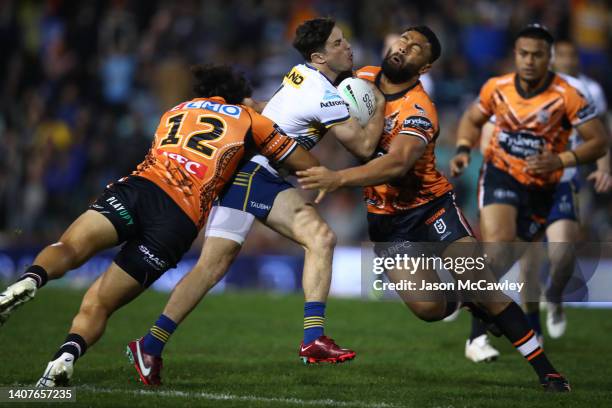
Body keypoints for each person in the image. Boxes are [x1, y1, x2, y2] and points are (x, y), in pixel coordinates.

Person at [0, 64, 319, 387]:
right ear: (241, 98)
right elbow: (303, 162)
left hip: (140, 190)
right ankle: (65, 357)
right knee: (100, 302)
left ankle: (30, 279)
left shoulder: (175, 111)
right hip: (177, 221)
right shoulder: (250, 119)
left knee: (68, 247)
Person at [297, 25, 574, 392]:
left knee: (484, 286)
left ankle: (546, 370)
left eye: (415, 49)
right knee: (428, 309)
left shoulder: (420, 110)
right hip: (386, 222)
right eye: (403, 40)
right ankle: (468, 301)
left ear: (424, 68)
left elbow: (397, 164)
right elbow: (313, 99)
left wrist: (338, 178)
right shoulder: (359, 80)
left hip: (431, 211)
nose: (404, 48)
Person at [126, 17, 386, 386]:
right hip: (254, 171)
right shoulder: (324, 95)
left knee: (211, 267)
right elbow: (363, 148)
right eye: (339, 43)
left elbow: (274, 107)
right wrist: (379, 105)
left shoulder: (300, 74)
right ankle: (313, 339)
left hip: (239, 168)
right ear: (319, 56)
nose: (349, 47)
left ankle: (150, 345)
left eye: (346, 40)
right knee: (321, 238)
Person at [447, 25, 607, 362]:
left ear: (549, 58)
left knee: (510, 259)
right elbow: (472, 119)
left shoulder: (568, 95)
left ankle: (471, 299)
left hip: (544, 187)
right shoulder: (497, 87)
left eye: (537, 54)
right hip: (501, 175)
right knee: (500, 246)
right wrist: (463, 148)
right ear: (515, 55)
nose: (530, 60)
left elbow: (599, 140)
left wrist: (562, 159)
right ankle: (477, 336)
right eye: (523, 54)